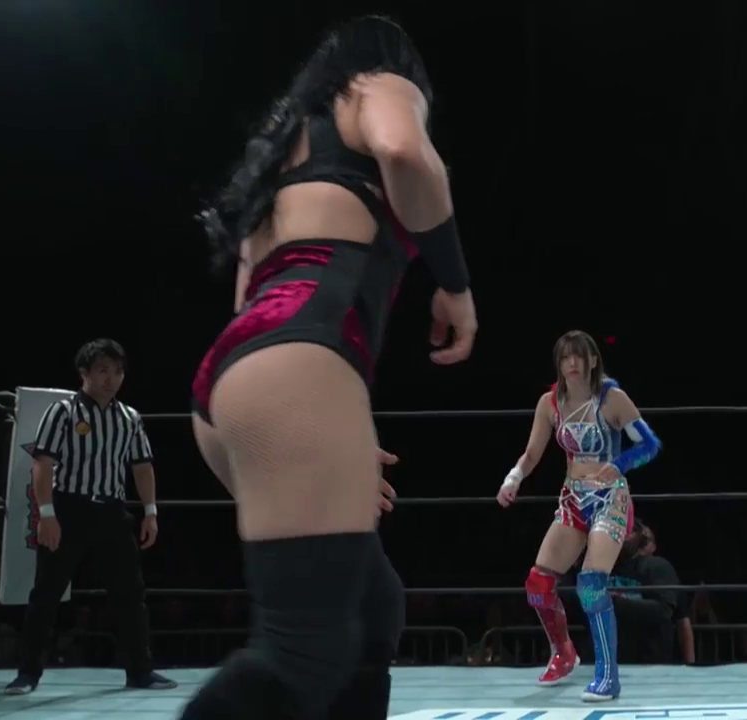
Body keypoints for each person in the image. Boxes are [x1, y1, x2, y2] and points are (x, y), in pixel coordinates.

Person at [181, 15, 476, 720]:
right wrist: (455, 285)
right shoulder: (374, 85)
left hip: (234, 383)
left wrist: (328, 432)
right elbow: (404, 149)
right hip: (299, 357)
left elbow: (250, 301)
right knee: (303, 654)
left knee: (373, 606)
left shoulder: (279, 155)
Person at [496, 330, 662, 702]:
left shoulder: (612, 399)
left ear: (592, 360)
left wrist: (620, 464)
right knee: (538, 584)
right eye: (565, 357)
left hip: (610, 499)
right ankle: (563, 652)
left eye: (578, 356)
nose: (572, 363)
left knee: (590, 583)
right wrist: (513, 478)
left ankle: (608, 676)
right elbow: (532, 454)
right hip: (573, 499)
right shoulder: (550, 404)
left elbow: (649, 444)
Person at [6, 339, 176, 695]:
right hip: (69, 508)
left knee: (130, 594)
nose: (111, 379)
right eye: (102, 370)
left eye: (117, 371)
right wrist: (47, 514)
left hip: (112, 512)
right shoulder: (63, 412)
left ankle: (140, 671)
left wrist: (151, 512)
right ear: (84, 373)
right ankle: (27, 673)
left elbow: (142, 466)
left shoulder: (130, 417)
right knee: (47, 592)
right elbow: (42, 464)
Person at [609, 521, 682, 664]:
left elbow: (664, 609)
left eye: (630, 530)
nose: (622, 535)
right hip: (609, 657)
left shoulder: (656, 566)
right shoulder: (604, 567)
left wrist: (613, 602)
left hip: (649, 658)